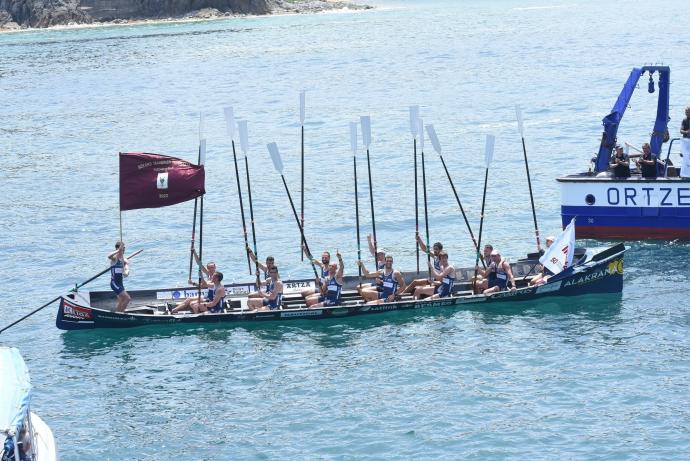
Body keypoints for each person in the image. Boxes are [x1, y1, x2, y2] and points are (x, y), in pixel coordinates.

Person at [108, 241, 131, 312]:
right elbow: (109, 256)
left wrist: (126, 273)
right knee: (127, 298)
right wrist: (118, 251)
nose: (123, 250)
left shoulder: (124, 260)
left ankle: (117, 313)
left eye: (124, 249)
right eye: (122, 249)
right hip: (114, 283)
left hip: (120, 284)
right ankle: (120, 315)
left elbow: (127, 269)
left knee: (121, 300)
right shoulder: (114, 258)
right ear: (117, 249)